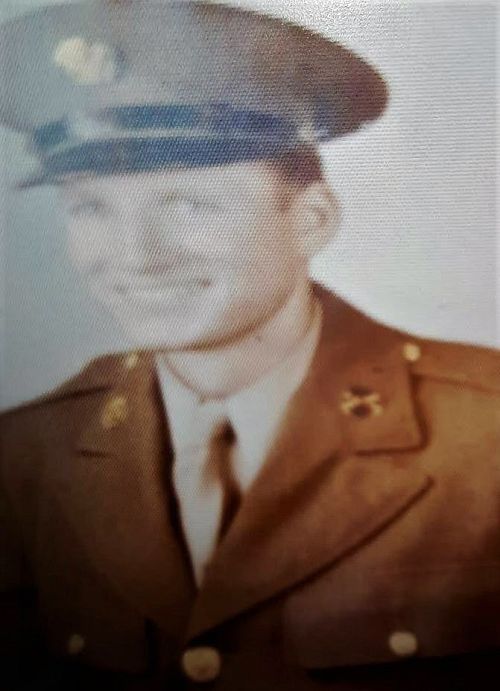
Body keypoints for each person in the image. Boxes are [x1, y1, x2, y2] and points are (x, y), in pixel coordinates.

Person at [1, 2, 499, 690]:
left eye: (186, 204)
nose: (136, 255)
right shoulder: (25, 458)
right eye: (91, 207)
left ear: (312, 219)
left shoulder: (484, 437)